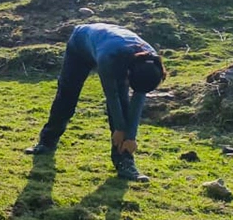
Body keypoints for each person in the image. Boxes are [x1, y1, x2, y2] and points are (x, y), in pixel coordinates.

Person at [24, 23, 166, 183]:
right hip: (80, 44)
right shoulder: (109, 58)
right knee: (67, 95)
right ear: (128, 73)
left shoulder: (151, 63)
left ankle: (125, 162)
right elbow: (112, 95)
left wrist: (131, 137)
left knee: (124, 105)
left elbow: (139, 95)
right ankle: (46, 142)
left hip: (110, 44)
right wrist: (119, 128)